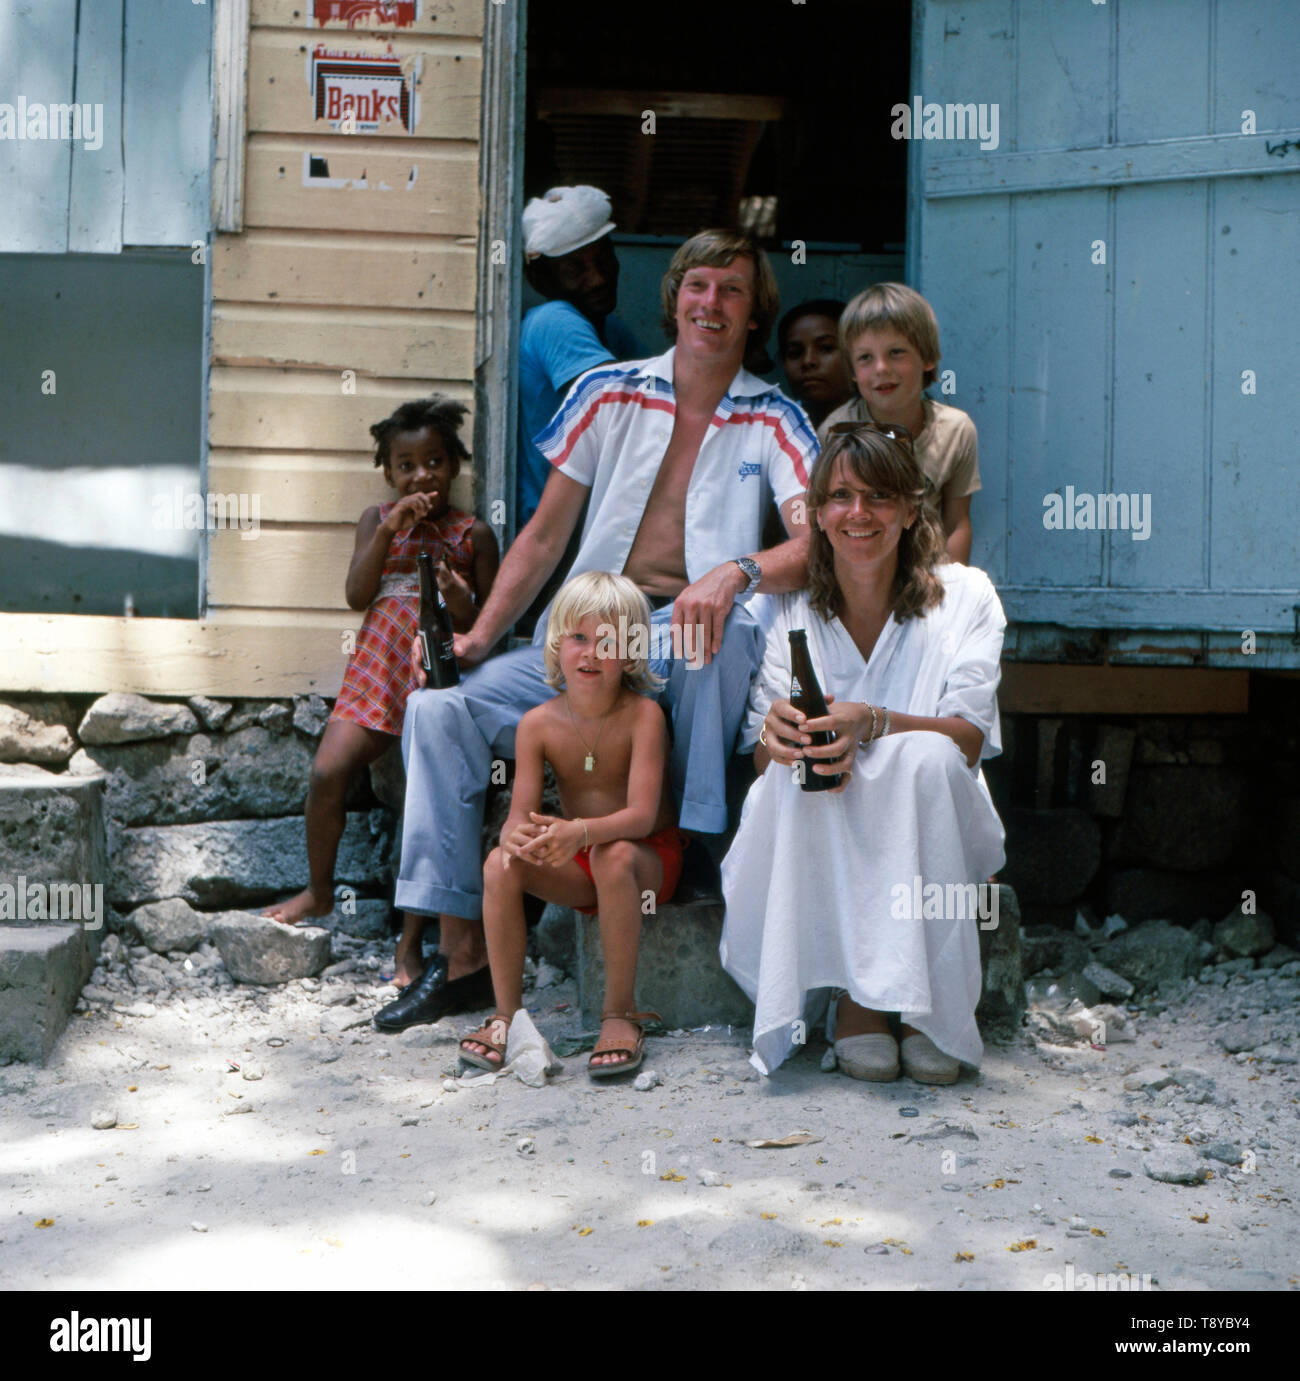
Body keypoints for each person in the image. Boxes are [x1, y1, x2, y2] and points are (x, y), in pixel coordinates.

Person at [372, 228, 816, 1033]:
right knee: (440, 707)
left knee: (717, 637)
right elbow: (545, 535)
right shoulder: (611, 393)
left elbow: (811, 537)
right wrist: (478, 642)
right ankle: (462, 948)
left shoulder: (773, 416)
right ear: (675, 297)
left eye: (733, 291)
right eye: (698, 286)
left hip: (686, 635)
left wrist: (737, 571)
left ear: (755, 317)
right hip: (589, 632)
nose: (711, 304)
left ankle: (690, 862)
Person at [720, 423, 1006, 1084]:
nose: (859, 513)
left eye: (879, 496)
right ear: (817, 514)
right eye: (841, 497)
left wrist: (873, 721)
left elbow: (966, 738)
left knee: (924, 761)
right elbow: (761, 759)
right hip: (829, 807)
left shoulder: (967, 596)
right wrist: (779, 738)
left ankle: (923, 1008)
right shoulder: (787, 611)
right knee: (799, 776)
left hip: (933, 799)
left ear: (910, 509)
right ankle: (855, 998)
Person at [263, 397, 498, 939]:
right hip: (375, 669)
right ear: (388, 472)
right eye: (407, 465)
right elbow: (355, 593)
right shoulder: (376, 520)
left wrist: (457, 594)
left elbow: (485, 625)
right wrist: (389, 529)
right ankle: (321, 893)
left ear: (455, 465)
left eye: (435, 462)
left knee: (424, 798)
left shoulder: (473, 534)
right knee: (327, 772)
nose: (422, 475)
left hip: (434, 674)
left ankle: (411, 944)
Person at [458, 572, 681, 1077]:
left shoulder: (644, 716)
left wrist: (577, 832)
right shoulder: (537, 724)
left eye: (608, 642)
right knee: (500, 862)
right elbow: (519, 819)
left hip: (646, 860)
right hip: (583, 858)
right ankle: (506, 1015)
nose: (591, 653)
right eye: (579, 638)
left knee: (614, 851)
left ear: (630, 653)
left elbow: (643, 817)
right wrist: (522, 839)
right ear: (558, 645)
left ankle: (620, 1014)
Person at [819, 283, 979, 564]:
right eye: (865, 357)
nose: (881, 368)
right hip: (860, 574)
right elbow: (823, 526)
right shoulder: (836, 431)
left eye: (896, 352)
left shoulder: (956, 431)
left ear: (927, 357)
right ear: (853, 371)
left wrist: (954, 593)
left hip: (928, 576)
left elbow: (957, 524)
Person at [516, 186, 641, 530]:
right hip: (560, 540)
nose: (599, 278)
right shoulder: (554, 319)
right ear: (540, 279)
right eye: (576, 270)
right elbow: (627, 411)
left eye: (603, 260)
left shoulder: (609, 329)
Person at [777, 298, 854, 427]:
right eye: (795, 353)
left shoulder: (883, 427)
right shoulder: (771, 429)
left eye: (826, 348)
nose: (808, 361)